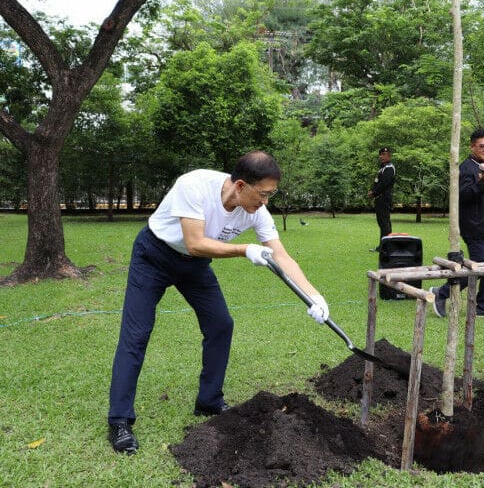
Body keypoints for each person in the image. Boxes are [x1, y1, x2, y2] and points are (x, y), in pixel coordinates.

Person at [107, 151, 330, 454]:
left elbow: (281, 254)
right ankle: (120, 420)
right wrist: (243, 249)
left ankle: (209, 401)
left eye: (271, 195)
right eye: (262, 194)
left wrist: (313, 295)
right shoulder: (194, 185)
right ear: (240, 186)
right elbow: (195, 242)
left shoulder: (256, 212)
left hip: (195, 266)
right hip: (154, 256)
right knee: (137, 333)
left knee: (221, 325)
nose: (265, 202)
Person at [430, 129, 484, 319]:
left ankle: (482, 305)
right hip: (475, 226)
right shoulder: (466, 168)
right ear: (472, 146)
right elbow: (462, 196)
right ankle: (441, 292)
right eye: (482, 146)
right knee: (478, 269)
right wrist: (482, 182)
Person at [367, 147, 396, 252]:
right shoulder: (383, 168)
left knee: (384, 223)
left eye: (384, 154)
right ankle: (384, 245)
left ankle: (386, 247)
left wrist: (373, 193)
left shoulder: (389, 168)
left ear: (389, 156)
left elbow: (384, 184)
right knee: (383, 223)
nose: (381, 156)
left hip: (384, 198)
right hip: (380, 199)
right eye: (380, 154)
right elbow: (378, 182)